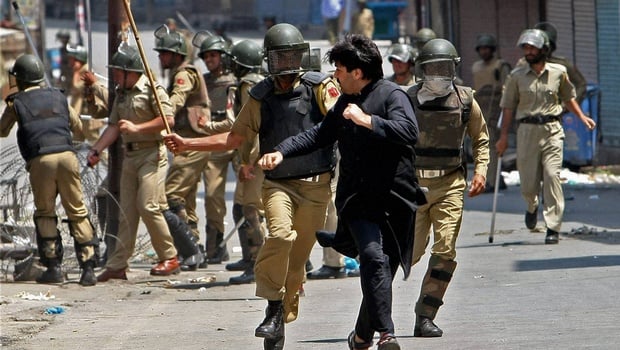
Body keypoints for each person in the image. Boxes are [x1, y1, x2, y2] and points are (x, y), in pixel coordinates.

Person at [164, 23, 341, 350]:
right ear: (268, 61)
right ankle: (272, 308)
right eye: (278, 57)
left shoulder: (321, 88)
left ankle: (285, 303)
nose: (285, 65)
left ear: (300, 56)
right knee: (278, 236)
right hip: (278, 186)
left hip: (317, 187)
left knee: (298, 261)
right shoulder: (260, 96)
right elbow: (234, 138)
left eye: (291, 56)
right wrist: (187, 143)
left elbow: (341, 124)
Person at [259, 33, 426, 350]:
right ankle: (387, 335)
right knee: (373, 259)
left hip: (396, 201)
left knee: (382, 273)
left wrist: (369, 121)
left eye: (339, 68)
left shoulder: (392, 96)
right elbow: (319, 134)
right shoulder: (345, 103)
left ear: (357, 72)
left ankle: (361, 336)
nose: (335, 74)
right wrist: (281, 152)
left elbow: (409, 132)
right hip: (359, 201)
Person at [406, 38, 489, 338]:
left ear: (453, 69)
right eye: (432, 69)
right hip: (413, 186)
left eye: (444, 68)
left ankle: (426, 315)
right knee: (408, 254)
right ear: (421, 70)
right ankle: (374, 311)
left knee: (445, 250)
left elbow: (480, 138)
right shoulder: (407, 100)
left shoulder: (465, 100)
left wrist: (481, 171)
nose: (438, 75)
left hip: (450, 183)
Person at [0, 54, 99, 286]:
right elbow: (79, 129)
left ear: (21, 79)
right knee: (77, 210)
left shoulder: (17, 102)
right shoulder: (58, 97)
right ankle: (88, 269)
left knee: (45, 212)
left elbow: (2, 130)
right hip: (67, 156)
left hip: (41, 159)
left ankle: (53, 266)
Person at [87, 44, 181, 281]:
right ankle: (118, 264)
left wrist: (138, 127)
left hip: (152, 154)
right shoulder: (121, 94)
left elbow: (167, 119)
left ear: (132, 72)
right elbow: (113, 127)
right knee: (126, 212)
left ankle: (169, 257)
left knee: (148, 205)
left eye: (119, 72)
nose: (116, 76)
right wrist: (97, 149)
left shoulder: (153, 90)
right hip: (130, 156)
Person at [496, 29, 596, 244]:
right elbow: (508, 108)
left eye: (533, 47)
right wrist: (503, 137)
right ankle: (531, 206)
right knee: (528, 182)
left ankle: (553, 226)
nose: (528, 52)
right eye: (526, 48)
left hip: (552, 130)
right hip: (526, 132)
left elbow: (569, 98)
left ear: (544, 49)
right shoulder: (516, 76)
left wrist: (582, 117)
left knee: (552, 176)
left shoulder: (558, 72)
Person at [155, 26, 233, 271]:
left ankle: (198, 248)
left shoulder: (186, 74)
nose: (161, 57)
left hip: (213, 139)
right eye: (206, 56)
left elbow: (178, 97)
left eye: (165, 53)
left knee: (182, 195)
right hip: (198, 140)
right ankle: (198, 247)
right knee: (190, 198)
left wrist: (165, 111)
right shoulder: (202, 78)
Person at [225, 39, 268, 284]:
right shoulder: (260, 81)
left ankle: (258, 264)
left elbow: (250, 127)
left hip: (254, 158)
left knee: (253, 210)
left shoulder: (248, 85)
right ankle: (253, 260)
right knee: (248, 208)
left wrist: (246, 162)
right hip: (259, 156)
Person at [196, 33, 238, 264]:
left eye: (214, 55)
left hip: (238, 138)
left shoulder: (236, 79)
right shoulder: (202, 82)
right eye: (206, 56)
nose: (209, 60)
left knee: (249, 199)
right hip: (214, 141)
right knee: (212, 195)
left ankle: (254, 247)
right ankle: (215, 246)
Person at [471, 33, 511, 192]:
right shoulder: (476, 67)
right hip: (481, 108)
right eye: (481, 48)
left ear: (492, 49)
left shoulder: (501, 66)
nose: (484, 51)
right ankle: (496, 178)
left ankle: (492, 181)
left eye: (487, 48)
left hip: (497, 109)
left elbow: (508, 90)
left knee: (492, 146)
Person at [65, 45, 106, 147]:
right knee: (76, 143)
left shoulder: (85, 72)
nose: (69, 62)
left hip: (88, 115)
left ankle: (106, 161)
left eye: (72, 59)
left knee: (95, 144)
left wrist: (75, 73)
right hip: (80, 116)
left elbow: (77, 87)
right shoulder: (80, 71)